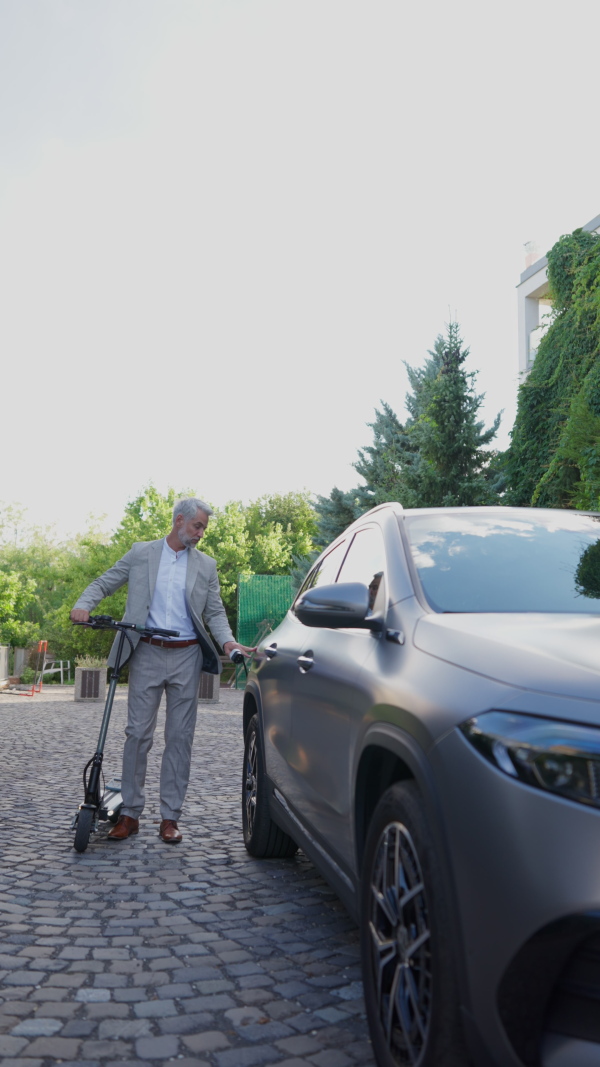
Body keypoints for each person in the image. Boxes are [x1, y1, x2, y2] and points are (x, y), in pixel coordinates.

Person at [70, 497, 253, 844]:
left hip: (188, 656)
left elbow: (214, 612)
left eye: (203, 529)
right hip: (147, 652)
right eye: (197, 526)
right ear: (179, 520)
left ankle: (170, 817)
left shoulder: (206, 565)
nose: (201, 534)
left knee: (179, 739)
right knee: (137, 734)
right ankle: (130, 814)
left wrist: (228, 643)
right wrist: (83, 605)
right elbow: (105, 581)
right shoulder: (142, 553)